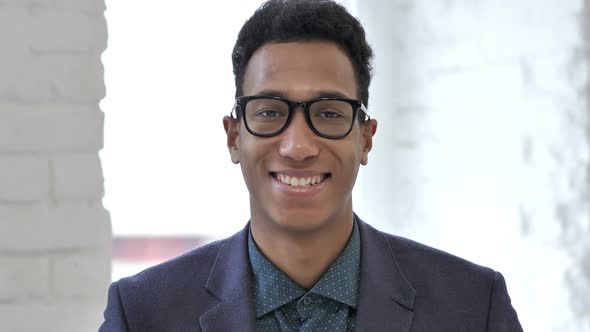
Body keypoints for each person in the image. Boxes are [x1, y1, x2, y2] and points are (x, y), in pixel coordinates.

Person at [99, 0, 523, 331]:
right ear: (234, 137)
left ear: (365, 138)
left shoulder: (472, 305)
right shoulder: (143, 313)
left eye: (329, 113)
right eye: (269, 112)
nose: (298, 146)